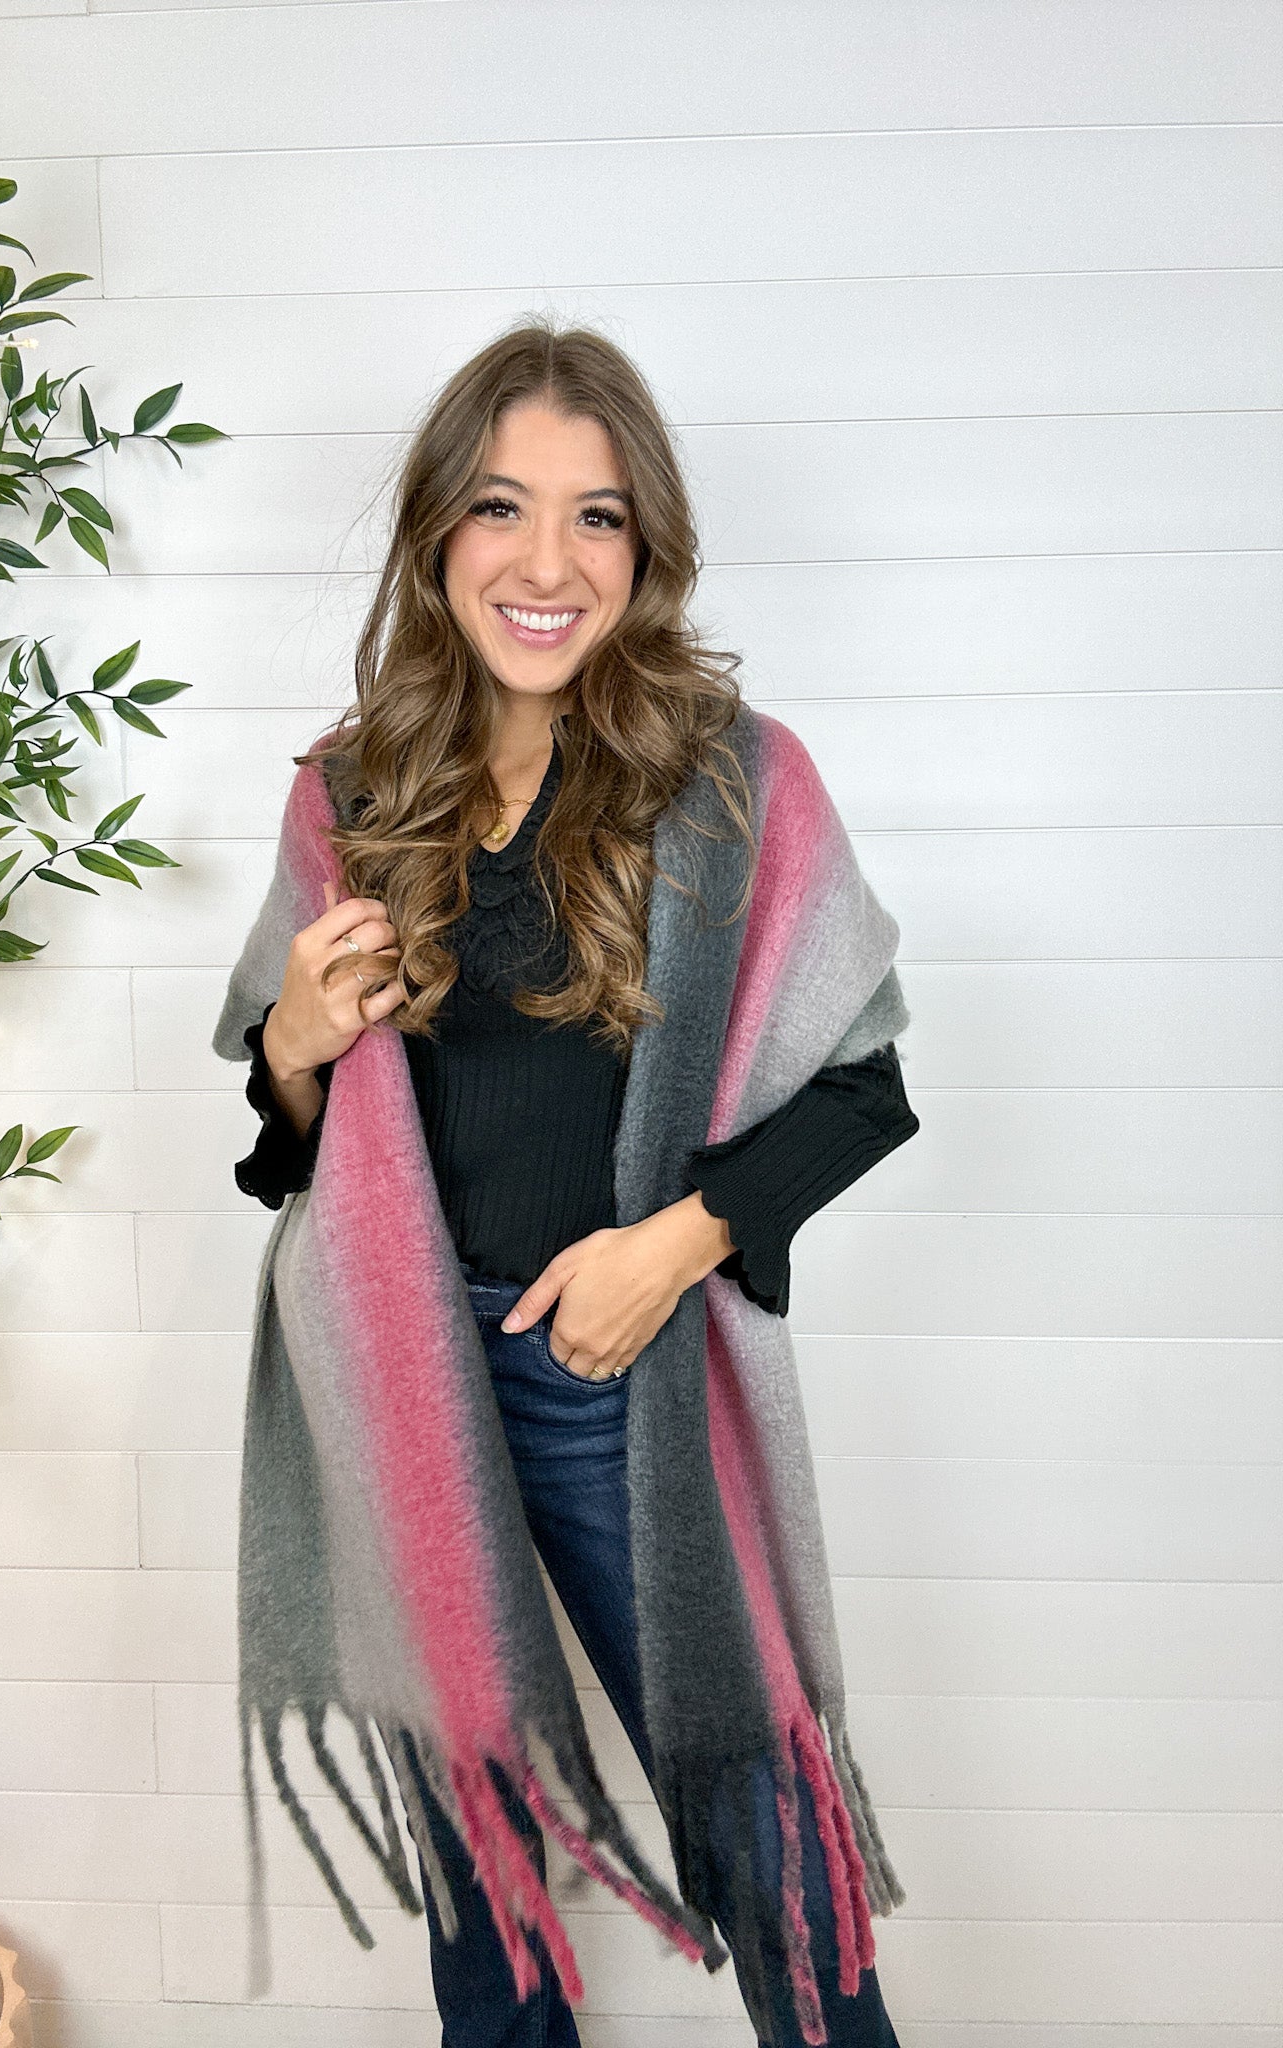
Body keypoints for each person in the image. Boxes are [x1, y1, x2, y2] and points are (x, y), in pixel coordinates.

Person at [216, 323, 919, 2048]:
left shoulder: (736, 781)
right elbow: (290, 1147)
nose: (546, 564)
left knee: (767, 1838)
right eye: (501, 508)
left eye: (595, 516)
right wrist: (295, 1040)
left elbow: (865, 1090)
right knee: (485, 1874)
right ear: (436, 533)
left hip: (615, 1368)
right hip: (396, 1367)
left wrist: (665, 1252)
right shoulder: (351, 787)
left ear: (644, 544)